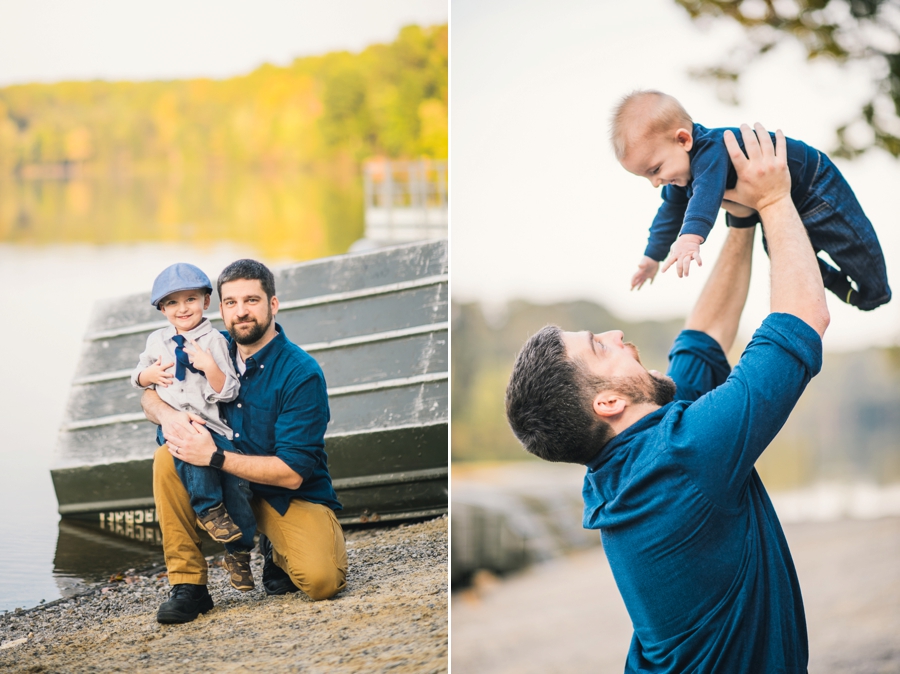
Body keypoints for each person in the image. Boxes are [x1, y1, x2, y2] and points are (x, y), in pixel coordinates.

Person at [506, 124, 829, 672]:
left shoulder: (630, 463)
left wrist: (742, 219)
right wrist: (773, 196)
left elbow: (702, 342)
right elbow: (803, 319)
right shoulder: (683, 458)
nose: (616, 337)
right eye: (598, 348)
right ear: (607, 403)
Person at [143, 259, 348, 625]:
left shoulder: (300, 373)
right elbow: (150, 397)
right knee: (166, 457)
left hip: (286, 494)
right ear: (219, 308)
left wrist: (215, 456)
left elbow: (292, 474)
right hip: (228, 486)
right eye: (232, 302)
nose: (241, 312)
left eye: (252, 300)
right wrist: (168, 415)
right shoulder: (207, 351)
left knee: (322, 582)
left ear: (273, 304)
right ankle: (189, 585)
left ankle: (276, 550)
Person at [612, 89, 890, 311]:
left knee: (852, 241)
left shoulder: (710, 150)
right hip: (780, 207)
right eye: (646, 177)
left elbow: (706, 194)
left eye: (655, 170)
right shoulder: (680, 177)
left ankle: (875, 293)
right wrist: (652, 256)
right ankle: (841, 286)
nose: (655, 182)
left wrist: (690, 237)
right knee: (783, 254)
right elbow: (669, 213)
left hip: (814, 188)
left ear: (683, 140)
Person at [132, 262, 256, 593]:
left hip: (211, 424)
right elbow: (137, 376)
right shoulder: (157, 340)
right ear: (161, 309)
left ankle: (239, 554)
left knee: (236, 488)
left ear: (206, 301)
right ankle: (207, 509)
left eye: (190, 299)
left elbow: (228, 390)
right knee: (188, 449)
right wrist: (150, 377)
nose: (182, 308)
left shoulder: (214, 341)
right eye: (172, 302)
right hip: (175, 422)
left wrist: (208, 366)